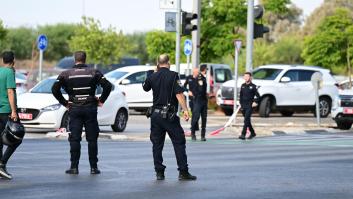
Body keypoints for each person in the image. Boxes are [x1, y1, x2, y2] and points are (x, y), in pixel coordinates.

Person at [52, 51, 112, 175]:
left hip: (74, 109)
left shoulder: (65, 74)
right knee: (92, 139)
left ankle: (74, 167)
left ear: (75, 59)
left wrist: (64, 102)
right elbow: (108, 86)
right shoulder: (94, 72)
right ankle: (94, 168)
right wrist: (101, 100)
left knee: (74, 139)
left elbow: (54, 89)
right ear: (85, 59)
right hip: (90, 108)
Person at [143, 54, 196, 181]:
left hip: (155, 115)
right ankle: (183, 172)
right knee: (179, 142)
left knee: (157, 144)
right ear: (169, 62)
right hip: (169, 116)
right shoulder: (173, 76)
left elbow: (145, 88)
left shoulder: (152, 76)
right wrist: (185, 110)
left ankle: (159, 172)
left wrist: (151, 73)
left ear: (157, 63)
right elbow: (179, 94)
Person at [0, 51, 21, 180]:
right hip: (6, 110)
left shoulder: (3, 71)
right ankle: (2, 163)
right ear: (13, 60)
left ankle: (1, 167)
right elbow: (10, 92)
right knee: (17, 137)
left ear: (2, 60)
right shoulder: (9, 73)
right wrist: (14, 111)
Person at [238, 72, 260, 140]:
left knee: (246, 120)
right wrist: (240, 104)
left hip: (249, 106)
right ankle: (253, 133)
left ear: (250, 77)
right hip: (243, 105)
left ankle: (243, 134)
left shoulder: (253, 86)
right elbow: (241, 96)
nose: (246, 78)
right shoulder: (242, 85)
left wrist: (255, 102)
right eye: (245, 76)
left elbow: (258, 96)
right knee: (247, 121)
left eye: (247, 76)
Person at [190, 65, 208, 141]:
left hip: (203, 100)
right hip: (198, 100)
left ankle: (202, 135)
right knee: (195, 117)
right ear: (204, 70)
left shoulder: (202, 77)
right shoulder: (200, 78)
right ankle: (193, 133)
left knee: (204, 118)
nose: (207, 71)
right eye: (206, 69)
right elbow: (199, 90)